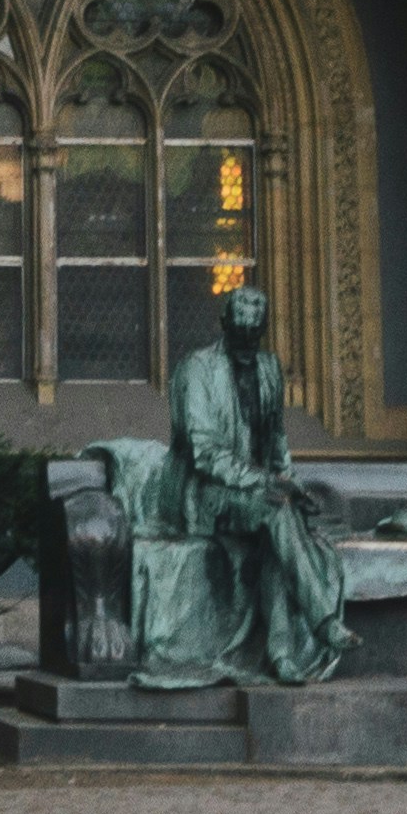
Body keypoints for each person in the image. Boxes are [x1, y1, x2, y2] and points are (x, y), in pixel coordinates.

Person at [119, 279, 349, 687]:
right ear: (224, 323)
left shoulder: (269, 369)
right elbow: (205, 453)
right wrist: (267, 484)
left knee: (280, 521)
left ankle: (281, 655)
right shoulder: (196, 369)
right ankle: (322, 621)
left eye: (253, 335)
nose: (247, 343)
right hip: (203, 493)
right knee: (277, 515)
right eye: (239, 333)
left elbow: (277, 443)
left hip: (257, 494)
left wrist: (290, 483)